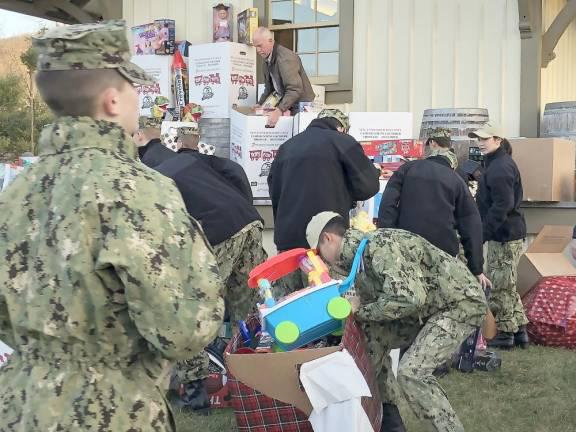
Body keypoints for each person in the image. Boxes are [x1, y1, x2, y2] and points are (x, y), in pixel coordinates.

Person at [0, 20, 225, 432]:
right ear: (112, 101)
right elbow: (184, 328)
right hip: (115, 411)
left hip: (22, 405)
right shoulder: (137, 190)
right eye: (134, 89)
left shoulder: (16, 193)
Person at [306, 212, 487, 432]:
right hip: (429, 306)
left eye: (318, 253)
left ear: (328, 238)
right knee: (369, 340)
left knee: (412, 373)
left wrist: (361, 309)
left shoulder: (378, 246)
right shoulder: (359, 257)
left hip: (459, 303)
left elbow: (408, 298)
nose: (321, 260)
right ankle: (389, 421)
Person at [154, 123, 267, 411]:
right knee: (248, 306)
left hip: (217, 232)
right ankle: (258, 379)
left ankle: (196, 394)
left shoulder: (152, 179)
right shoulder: (191, 163)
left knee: (191, 309)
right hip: (250, 222)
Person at [268, 109, 380, 292]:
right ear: (341, 128)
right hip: (325, 243)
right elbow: (368, 186)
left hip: (287, 245)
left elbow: (274, 191)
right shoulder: (343, 142)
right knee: (327, 308)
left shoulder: (287, 147)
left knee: (290, 309)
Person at [378, 127, 488, 285]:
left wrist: (388, 240)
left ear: (431, 145)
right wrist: (476, 267)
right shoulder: (456, 179)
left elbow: (387, 205)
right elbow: (471, 224)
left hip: (407, 248)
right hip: (443, 254)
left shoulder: (407, 169)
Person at [469, 124, 529, 349]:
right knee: (508, 283)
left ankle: (504, 334)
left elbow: (502, 205)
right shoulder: (495, 164)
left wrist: (483, 233)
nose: (480, 142)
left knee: (500, 284)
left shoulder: (500, 167)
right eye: (478, 139)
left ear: (498, 139)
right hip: (507, 232)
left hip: (504, 234)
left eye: (485, 138)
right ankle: (519, 330)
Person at [253, 27, 315, 126]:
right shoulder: (266, 59)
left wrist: (279, 110)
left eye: (260, 46)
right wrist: (260, 104)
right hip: (286, 103)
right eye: (255, 46)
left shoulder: (285, 58)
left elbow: (295, 89)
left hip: (301, 105)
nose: (258, 50)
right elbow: (269, 88)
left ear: (270, 41)